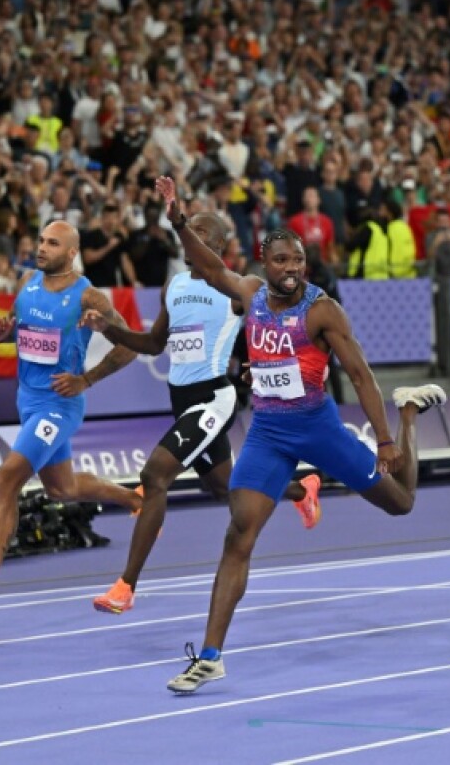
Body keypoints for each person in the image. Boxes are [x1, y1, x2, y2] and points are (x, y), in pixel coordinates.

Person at [154, 175, 445, 694]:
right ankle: (212, 656)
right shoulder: (249, 294)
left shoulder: (321, 310)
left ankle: (411, 413)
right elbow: (209, 265)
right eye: (283, 261)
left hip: (318, 430)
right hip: (267, 433)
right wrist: (178, 220)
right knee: (237, 534)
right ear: (265, 263)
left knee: (400, 503)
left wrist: (385, 439)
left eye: (299, 262)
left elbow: (360, 375)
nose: (292, 270)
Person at [80, 214, 322, 615]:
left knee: (154, 475)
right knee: (226, 488)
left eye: (200, 232)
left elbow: (279, 325)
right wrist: (111, 329)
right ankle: (301, 489)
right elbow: (155, 344)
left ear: (219, 246)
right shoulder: (174, 285)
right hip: (182, 401)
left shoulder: (236, 288)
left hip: (214, 399)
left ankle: (126, 586)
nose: (190, 235)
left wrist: (277, 364)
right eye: (188, 229)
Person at [0, 221, 148, 622]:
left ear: (71, 253)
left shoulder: (88, 296)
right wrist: (2, 336)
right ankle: (134, 498)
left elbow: (131, 347)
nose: (42, 247)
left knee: (5, 480)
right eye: (41, 241)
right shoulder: (30, 282)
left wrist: (86, 378)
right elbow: (24, 334)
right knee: (61, 488)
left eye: (52, 243)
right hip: (27, 401)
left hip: (59, 405)